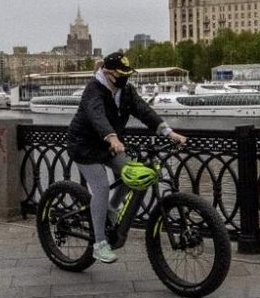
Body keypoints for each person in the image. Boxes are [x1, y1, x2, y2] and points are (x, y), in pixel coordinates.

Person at [67, 51, 186, 264]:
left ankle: (111, 208)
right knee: (101, 187)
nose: (125, 77)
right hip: (84, 146)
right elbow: (97, 116)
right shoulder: (93, 90)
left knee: (133, 174)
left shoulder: (126, 91)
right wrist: (112, 137)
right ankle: (99, 244)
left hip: (109, 146)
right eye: (121, 73)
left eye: (127, 73)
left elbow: (145, 111)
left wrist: (170, 133)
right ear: (107, 72)